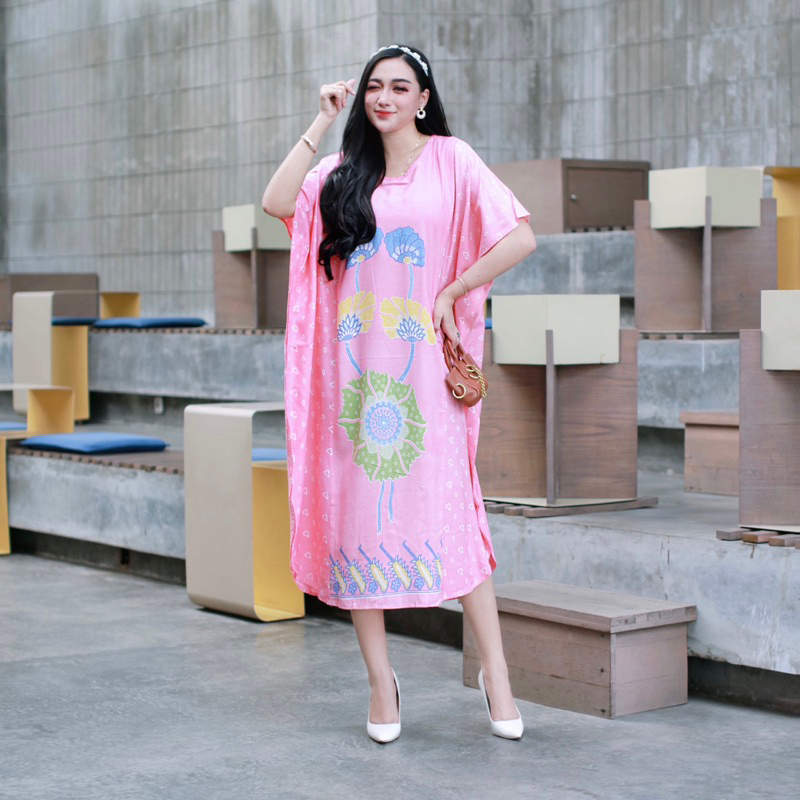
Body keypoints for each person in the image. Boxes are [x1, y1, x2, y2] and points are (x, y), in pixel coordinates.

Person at [262, 44, 536, 743]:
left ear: (423, 98)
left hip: (425, 379)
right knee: (361, 525)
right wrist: (320, 121)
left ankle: (497, 674)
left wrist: (454, 288)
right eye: (374, 87)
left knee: (455, 518)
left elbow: (519, 238)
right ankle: (382, 683)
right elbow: (275, 202)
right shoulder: (340, 175)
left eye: (400, 87)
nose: (384, 98)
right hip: (355, 383)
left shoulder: (453, 160)